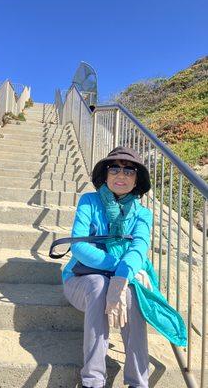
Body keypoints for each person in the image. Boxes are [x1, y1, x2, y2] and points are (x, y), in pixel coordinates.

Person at [61, 147, 161, 388]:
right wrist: (120, 271)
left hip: (119, 279)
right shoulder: (90, 201)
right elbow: (79, 248)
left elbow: (139, 248)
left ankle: (138, 382)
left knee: (132, 293)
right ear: (105, 174)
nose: (121, 175)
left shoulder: (142, 214)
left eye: (129, 170)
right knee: (98, 284)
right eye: (114, 168)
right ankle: (92, 380)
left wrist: (123, 279)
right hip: (81, 280)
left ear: (137, 179)